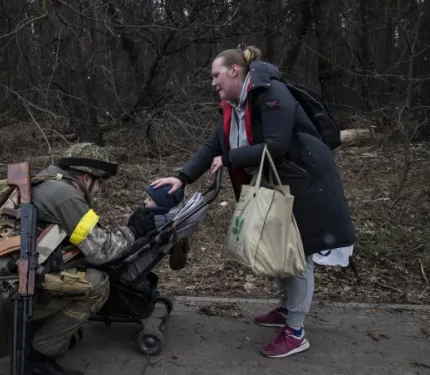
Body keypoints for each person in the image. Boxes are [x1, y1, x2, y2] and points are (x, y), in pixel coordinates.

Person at [150, 46, 355, 358]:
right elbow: (212, 144)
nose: (213, 82)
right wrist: (182, 177)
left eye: (216, 75)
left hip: (306, 185)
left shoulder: (272, 93)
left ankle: (296, 332)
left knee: (297, 256)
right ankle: (287, 311)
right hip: (278, 184)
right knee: (279, 249)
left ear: (235, 71)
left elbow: (277, 146)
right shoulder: (235, 104)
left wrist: (230, 158)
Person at [0, 142, 157, 375]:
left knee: (58, 279)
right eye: (100, 182)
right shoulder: (67, 196)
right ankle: (39, 359)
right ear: (86, 178)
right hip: (7, 285)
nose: (99, 189)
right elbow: (100, 251)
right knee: (96, 285)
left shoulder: (44, 181)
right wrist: (134, 231)